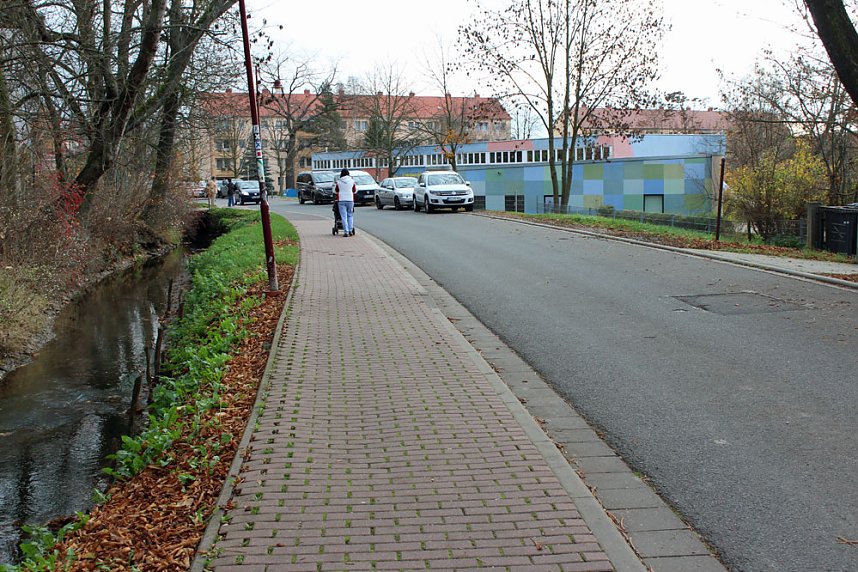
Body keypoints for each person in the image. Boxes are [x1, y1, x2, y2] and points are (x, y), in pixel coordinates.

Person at [335, 169, 356, 237]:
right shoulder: (352, 181)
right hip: (350, 199)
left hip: (341, 200)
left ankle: (346, 231)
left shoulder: (338, 182)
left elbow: (336, 190)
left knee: (343, 217)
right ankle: (350, 230)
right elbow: (354, 190)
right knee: (350, 215)